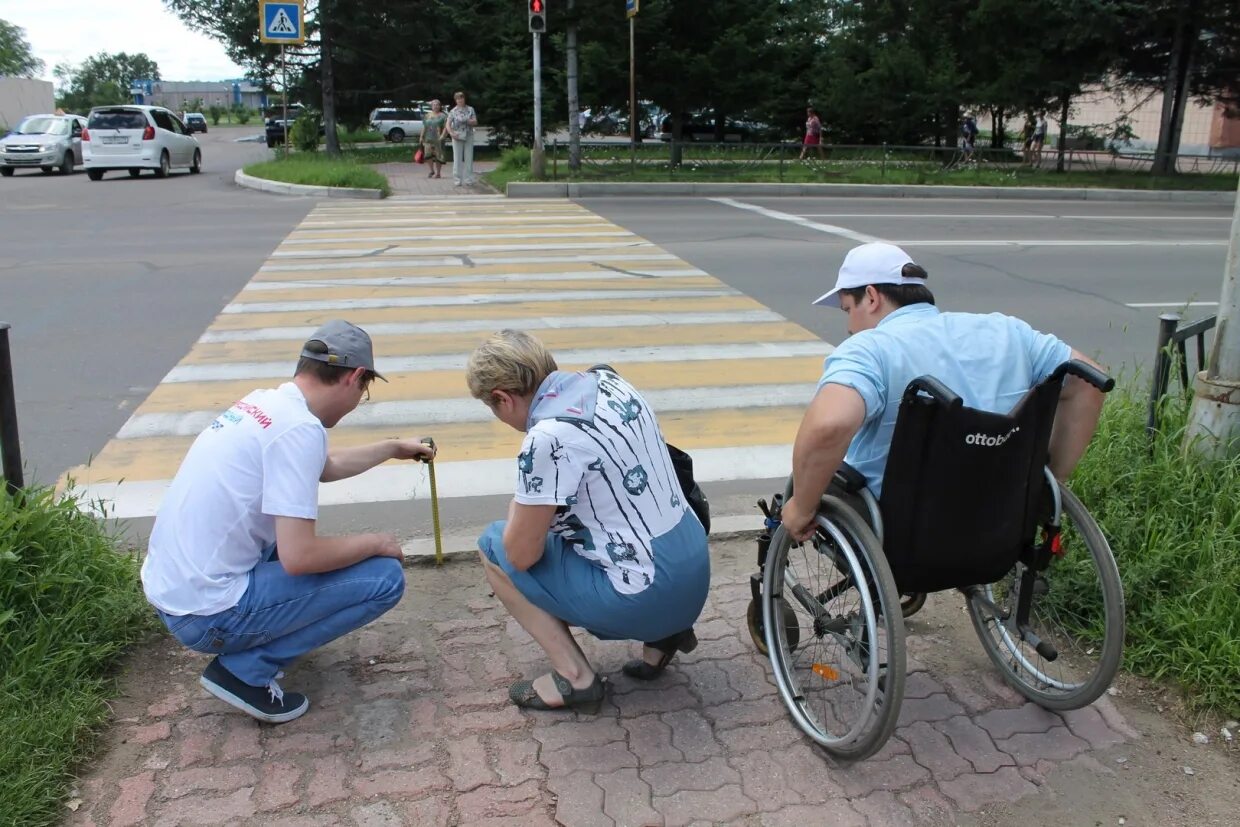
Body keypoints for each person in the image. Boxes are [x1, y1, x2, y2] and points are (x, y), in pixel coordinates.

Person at [140, 320, 437, 723]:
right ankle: (245, 672)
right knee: (383, 577)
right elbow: (300, 557)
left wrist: (391, 448)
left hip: (174, 591)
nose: (356, 405)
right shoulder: (299, 429)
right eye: (363, 394)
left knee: (300, 544)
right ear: (354, 378)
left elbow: (324, 466)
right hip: (205, 614)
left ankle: (257, 641)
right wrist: (376, 542)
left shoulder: (265, 404)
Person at [779, 243, 1106, 543]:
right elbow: (1089, 381)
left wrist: (801, 508)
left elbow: (829, 427)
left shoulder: (869, 349)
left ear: (872, 297)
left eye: (847, 308)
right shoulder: (1008, 332)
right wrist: (1047, 481)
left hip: (900, 534)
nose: (849, 326)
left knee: (804, 481)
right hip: (997, 520)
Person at [466, 330, 711, 711]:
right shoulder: (611, 382)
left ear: (502, 398)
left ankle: (576, 679)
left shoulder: (547, 437)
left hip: (651, 595)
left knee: (494, 547)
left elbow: (520, 555)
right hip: (694, 569)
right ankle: (664, 640)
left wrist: (523, 500)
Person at [446, 90, 478, 187]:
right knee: (457, 158)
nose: (460, 100)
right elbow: (448, 124)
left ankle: (469, 179)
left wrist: (468, 121)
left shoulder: (470, 109)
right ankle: (457, 180)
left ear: (464, 99)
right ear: (455, 100)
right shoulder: (453, 111)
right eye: (458, 99)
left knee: (469, 157)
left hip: (468, 134)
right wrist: (451, 133)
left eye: (461, 98)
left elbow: (475, 122)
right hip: (457, 135)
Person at [421, 99, 447, 179]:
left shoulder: (443, 116)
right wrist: (421, 136)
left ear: (440, 106)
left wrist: (443, 136)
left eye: (437, 105)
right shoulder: (427, 115)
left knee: (438, 156)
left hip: (438, 139)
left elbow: (446, 127)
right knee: (428, 155)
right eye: (434, 105)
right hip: (428, 138)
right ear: (431, 107)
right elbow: (424, 127)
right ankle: (431, 170)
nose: (436, 106)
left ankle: (438, 173)